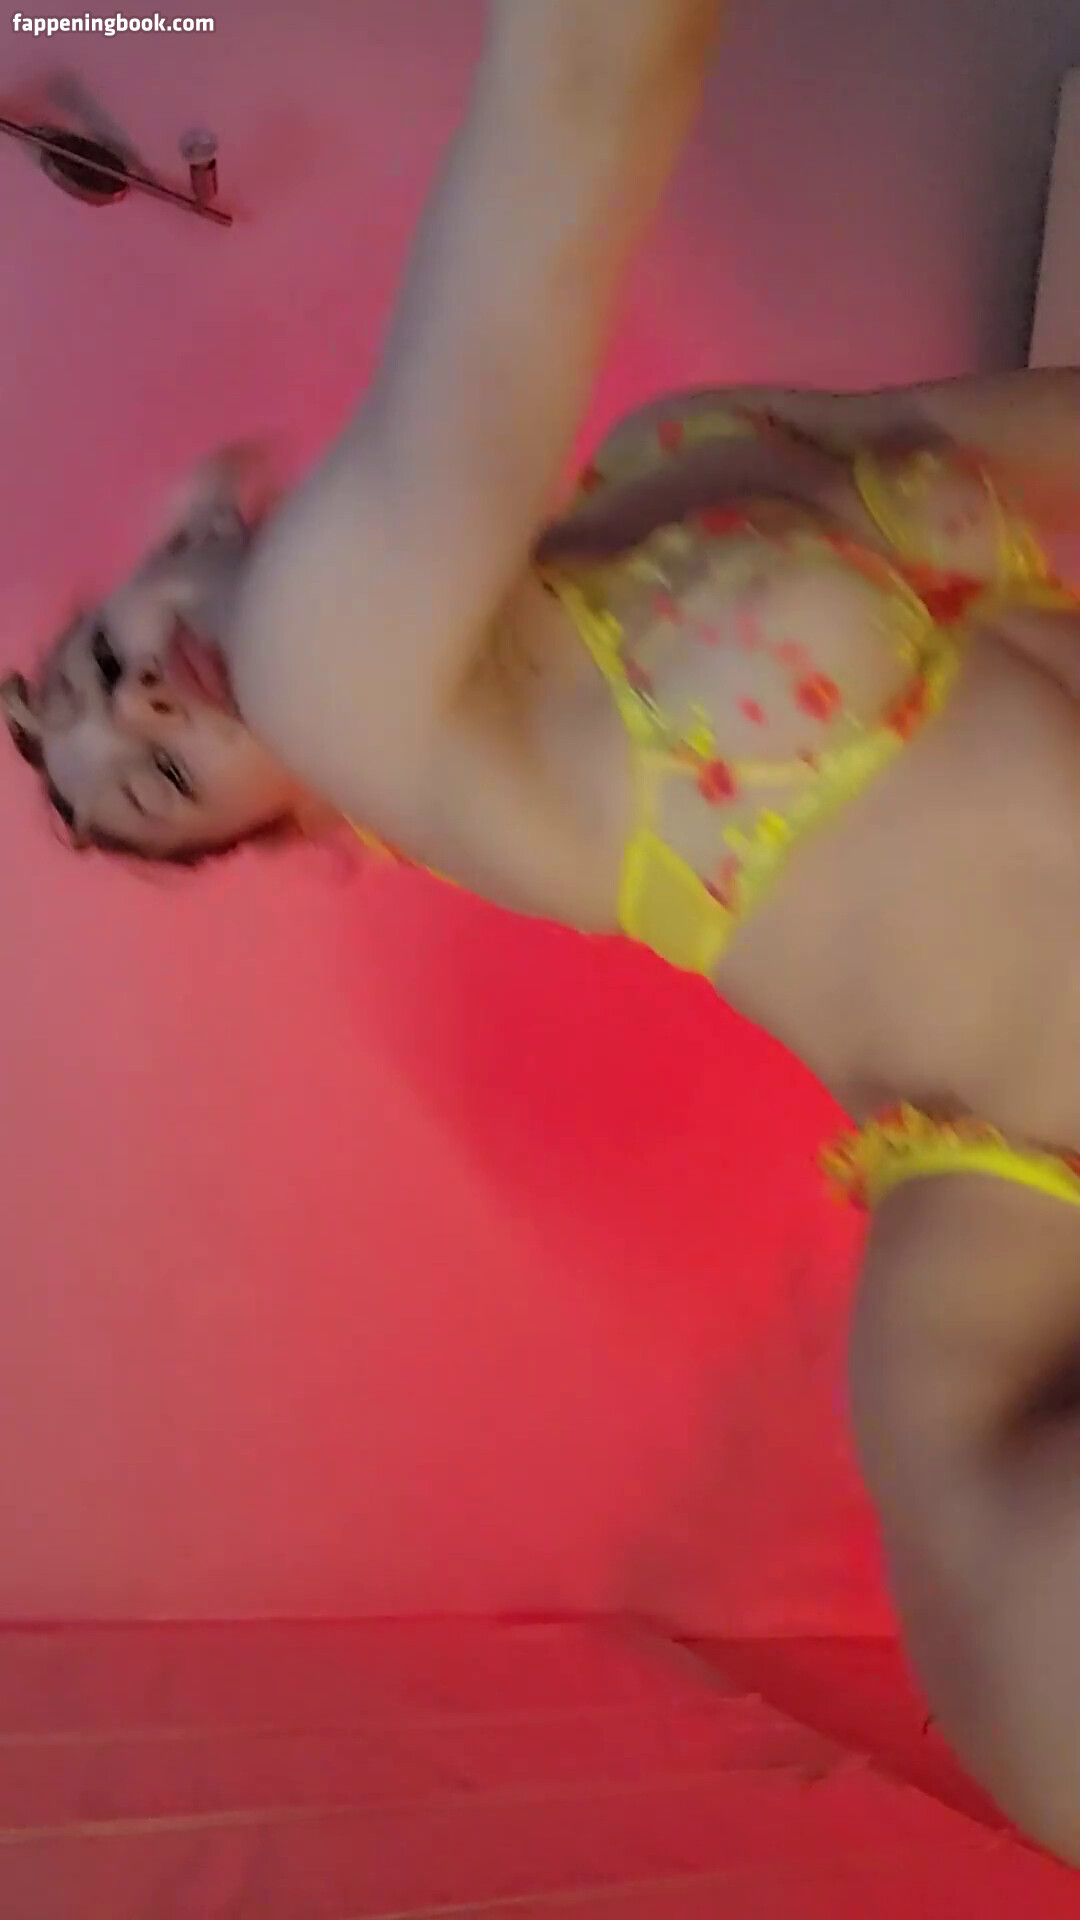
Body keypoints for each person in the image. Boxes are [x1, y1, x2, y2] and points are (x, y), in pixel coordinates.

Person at [5, 0, 1080, 1865]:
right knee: (984, 1558)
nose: (150, 707)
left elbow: (999, 443)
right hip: (1020, 1154)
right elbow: (583, 83)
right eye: (159, 779)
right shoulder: (349, 685)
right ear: (314, 817)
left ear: (188, 524)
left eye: (104, 670)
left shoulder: (679, 452)